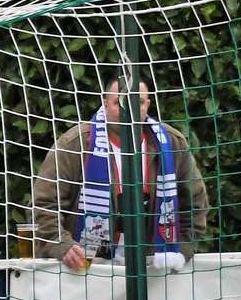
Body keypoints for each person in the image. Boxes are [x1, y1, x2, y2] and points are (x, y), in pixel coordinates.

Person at [30, 74, 209, 273]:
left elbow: (196, 204)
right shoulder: (74, 145)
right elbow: (43, 204)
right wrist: (62, 245)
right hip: (84, 269)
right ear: (104, 103)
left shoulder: (172, 144)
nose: (128, 110)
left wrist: (179, 252)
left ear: (147, 104)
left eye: (137, 102)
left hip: (151, 270)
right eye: (119, 102)